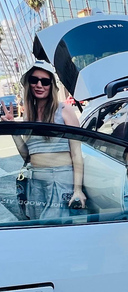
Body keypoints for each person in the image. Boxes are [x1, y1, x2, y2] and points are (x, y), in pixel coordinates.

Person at [0, 60, 86, 220]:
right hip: (35, 181)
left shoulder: (64, 110)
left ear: (52, 85)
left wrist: (78, 189)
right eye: (34, 80)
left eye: (45, 81)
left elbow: (76, 153)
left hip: (60, 179)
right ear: (28, 84)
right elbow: (27, 156)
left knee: (57, 230)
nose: (39, 85)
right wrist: (13, 129)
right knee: (39, 228)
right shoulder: (28, 115)